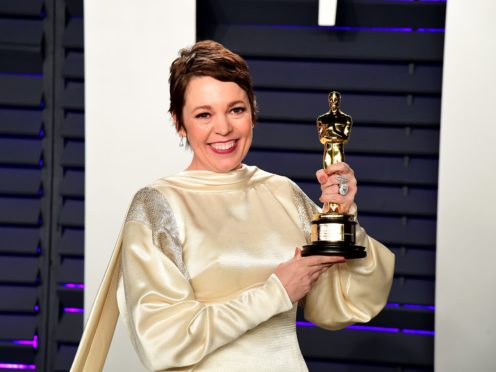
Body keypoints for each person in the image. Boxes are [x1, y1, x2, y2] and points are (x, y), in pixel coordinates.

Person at [70, 40, 394, 372]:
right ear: (179, 123)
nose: (223, 128)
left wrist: (343, 212)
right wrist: (276, 293)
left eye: (235, 109)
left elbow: (341, 304)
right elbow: (163, 342)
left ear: (253, 111)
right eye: (203, 114)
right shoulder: (157, 205)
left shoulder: (283, 193)